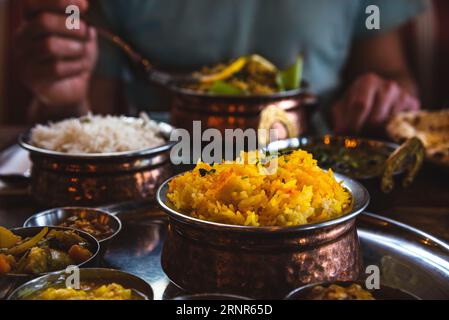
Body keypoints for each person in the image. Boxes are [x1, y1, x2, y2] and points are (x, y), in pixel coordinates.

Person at [15, 0, 428, 135]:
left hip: (324, 178)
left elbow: (390, 72)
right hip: (161, 188)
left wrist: (386, 96)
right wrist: (60, 101)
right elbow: (90, 122)